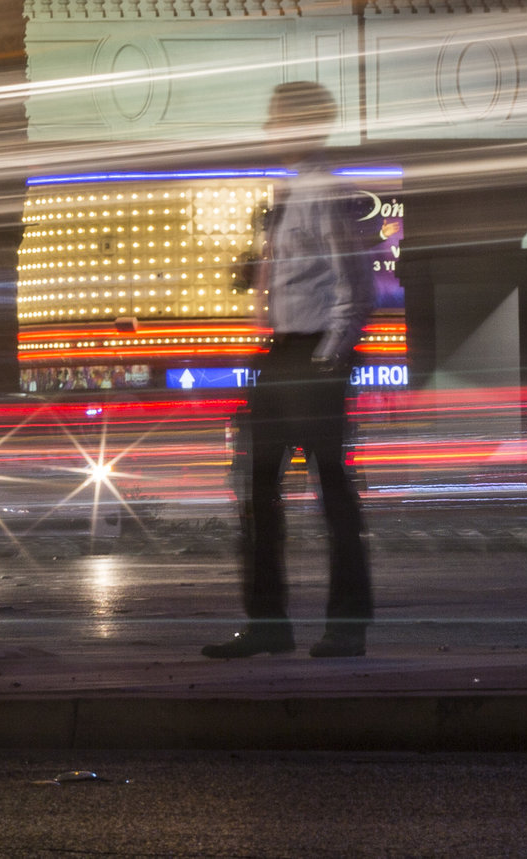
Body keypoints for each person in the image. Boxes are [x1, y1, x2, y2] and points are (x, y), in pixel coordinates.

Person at [204, 80, 376, 660]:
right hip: (282, 355)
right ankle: (268, 624)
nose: (270, 130)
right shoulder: (287, 195)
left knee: (331, 493)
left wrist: (329, 360)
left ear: (307, 126)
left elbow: (356, 288)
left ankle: (345, 627)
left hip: (311, 357)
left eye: (279, 120)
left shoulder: (326, 192)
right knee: (256, 489)